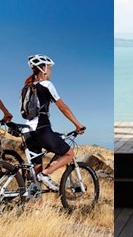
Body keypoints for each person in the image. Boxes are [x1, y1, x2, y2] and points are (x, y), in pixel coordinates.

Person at [21, 54, 85, 192]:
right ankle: (46, 174)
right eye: (49, 68)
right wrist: (78, 125)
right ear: (43, 68)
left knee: (36, 175)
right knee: (69, 154)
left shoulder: (27, 87)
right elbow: (63, 108)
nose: (50, 71)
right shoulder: (47, 85)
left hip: (27, 131)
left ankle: (37, 203)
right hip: (41, 129)